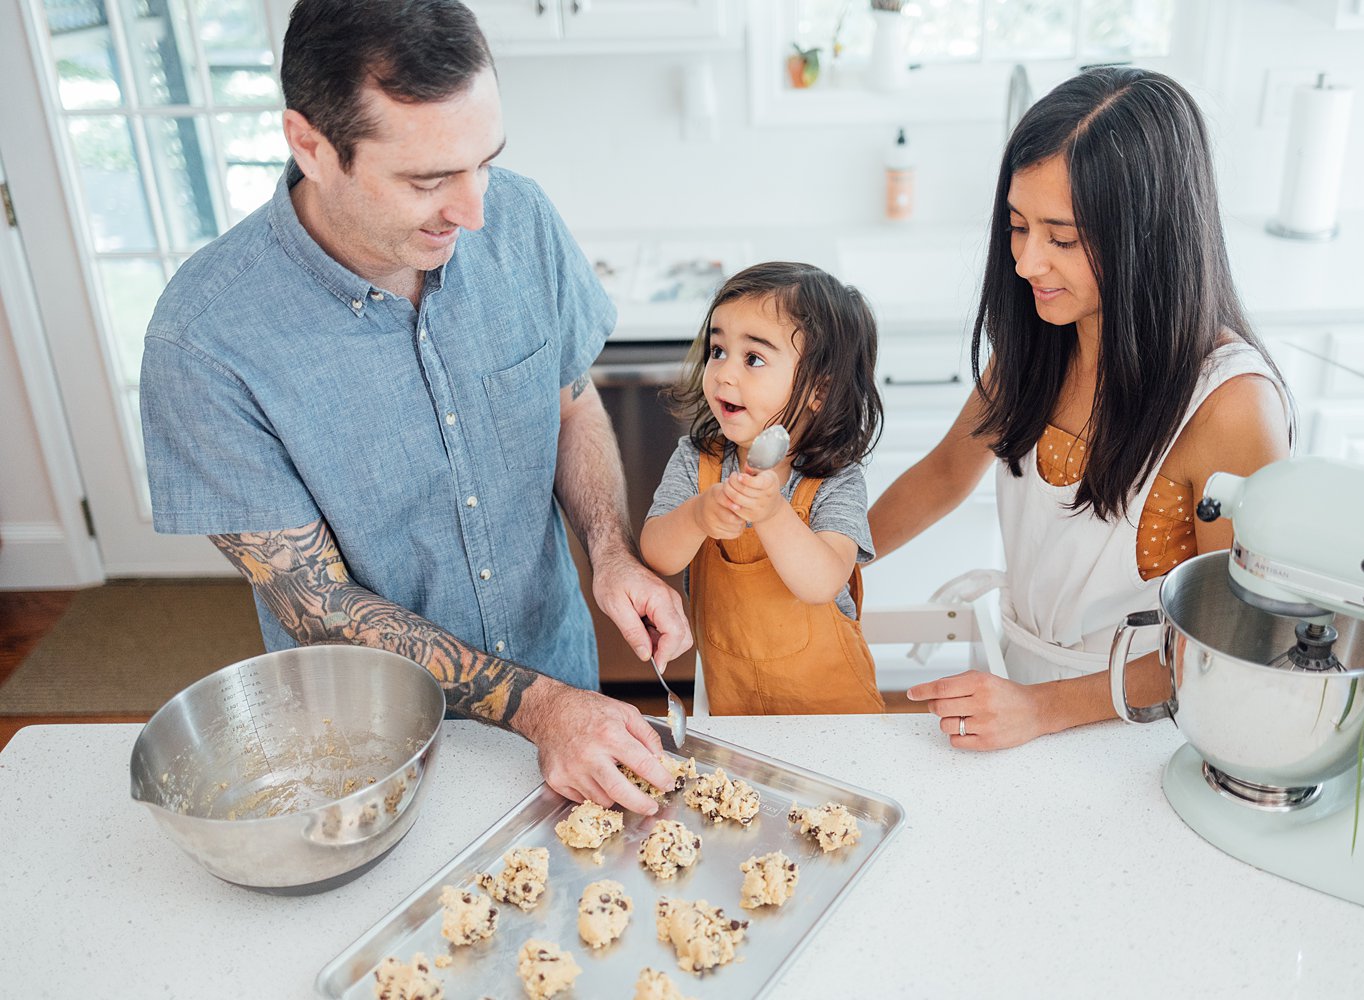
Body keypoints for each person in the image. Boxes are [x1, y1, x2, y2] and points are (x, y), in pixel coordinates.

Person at [137, 0, 690, 814]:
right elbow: (318, 604)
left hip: (568, 690)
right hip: (372, 754)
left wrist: (609, 549)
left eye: (484, 163)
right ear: (311, 146)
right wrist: (536, 708)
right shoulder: (204, 342)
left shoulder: (522, 221)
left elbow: (571, 406)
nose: (472, 209)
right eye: (428, 180)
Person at [868, 67, 1292, 750]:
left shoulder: (1232, 407)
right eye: (1017, 226)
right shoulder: (1044, 343)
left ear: (1148, 236)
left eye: (1061, 238)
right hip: (1017, 691)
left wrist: (1042, 710)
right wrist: (832, 559)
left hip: (1137, 729)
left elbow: (1229, 645)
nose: (1027, 262)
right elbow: (946, 473)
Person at [639, 262, 886, 715]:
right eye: (718, 350)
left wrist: (773, 514)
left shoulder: (836, 479)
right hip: (736, 715)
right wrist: (697, 516)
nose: (724, 374)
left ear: (818, 389)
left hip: (838, 717)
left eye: (752, 358)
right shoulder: (697, 462)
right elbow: (658, 552)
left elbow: (822, 582)